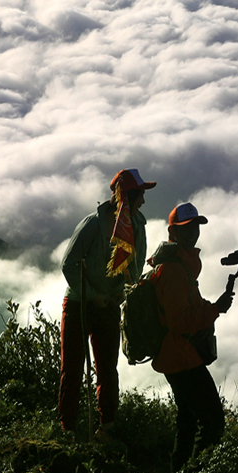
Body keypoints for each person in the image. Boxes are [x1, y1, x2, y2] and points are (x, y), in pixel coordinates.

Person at [58, 168, 157, 439]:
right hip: (79, 303)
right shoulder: (93, 223)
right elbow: (68, 264)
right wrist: (93, 295)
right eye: (140, 195)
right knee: (73, 367)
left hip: (110, 304)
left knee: (106, 368)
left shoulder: (136, 226)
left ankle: (107, 425)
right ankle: (68, 427)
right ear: (128, 195)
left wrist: (121, 294)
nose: (143, 202)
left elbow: (134, 269)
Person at [150, 203, 234, 471]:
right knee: (212, 422)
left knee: (187, 419)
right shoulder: (174, 270)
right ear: (172, 232)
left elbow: (184, 308)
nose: (193, 233)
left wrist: (211, 307)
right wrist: (214, 311)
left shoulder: (179, 265)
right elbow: (179, 322)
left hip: (176, 355)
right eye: (186, 228)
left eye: (196, 226)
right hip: (181, 357)